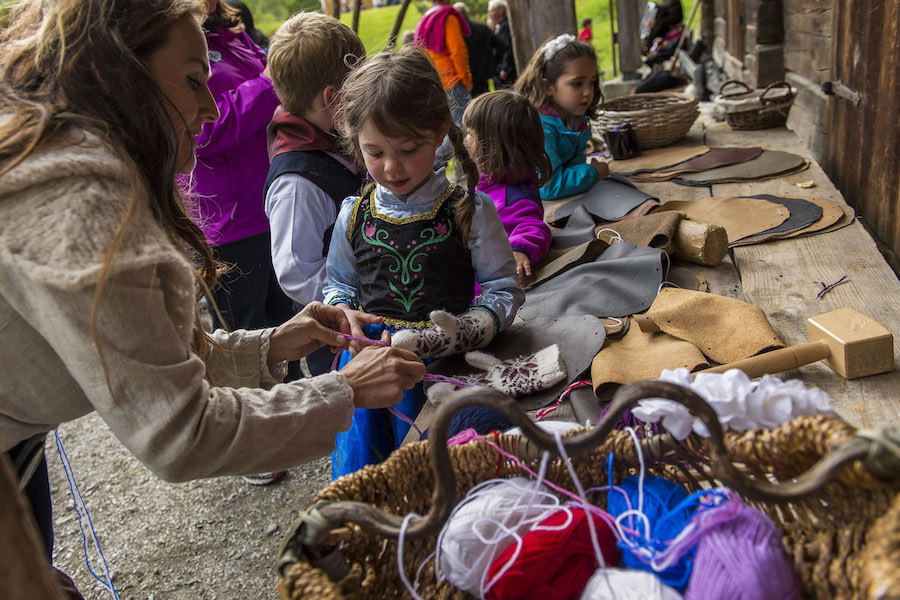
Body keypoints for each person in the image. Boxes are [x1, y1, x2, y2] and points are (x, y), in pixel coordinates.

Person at [0, 0, 425, 583]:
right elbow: (181, 432)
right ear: (115, 76)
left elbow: (163, 356)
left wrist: (274, 343)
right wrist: (342, 391)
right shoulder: (85, 207)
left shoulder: (94, 169)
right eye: (195, 80)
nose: (208, 106)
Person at [324, 46, 524, 478]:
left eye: (408, 148)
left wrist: (471, 329)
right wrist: (345, 314)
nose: (392, 166)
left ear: (437, 132)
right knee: (377, 475)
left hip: (445, 371)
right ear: (355, 143)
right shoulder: (353, 215)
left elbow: (503, 288)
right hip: (373, 367)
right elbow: (338, 283)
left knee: (444, 476)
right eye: (374, 153)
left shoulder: (469, 210)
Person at [189, 1, 299, 485]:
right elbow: (204, 129)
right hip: (227, 220)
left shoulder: (231, 34)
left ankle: (293, 419)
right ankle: (253, 449)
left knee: (283, 319)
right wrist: (272, 80)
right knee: (242, 330)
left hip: (268, 202)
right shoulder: (175, 49)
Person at [462, 91, 553, 286]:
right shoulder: (491, 178)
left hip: (483, 280)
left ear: (492, 145)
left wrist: (519, 250)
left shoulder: (513, 197)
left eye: (469, 134)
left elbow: (534, 227)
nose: (464, 140)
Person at [515, 34, 610, 201]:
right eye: (577, 84)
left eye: (592, 82)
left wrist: (585, 173)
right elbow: (547, 185)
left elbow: (575, 164)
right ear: (548, 86)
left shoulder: (575, 118)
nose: (588, 92)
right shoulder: (541, 127)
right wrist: (593, 173)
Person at [413, 0, 473, 166]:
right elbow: (458, 50)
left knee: (453, 127)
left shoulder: (427, 16)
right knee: (464, 127)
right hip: (452, 78)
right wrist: (466, 78)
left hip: (436, 78)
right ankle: (431, 163)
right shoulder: (447, 16)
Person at [453, 2, 502, 97]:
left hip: (464, 74)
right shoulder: (483, 28)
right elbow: (501, 45)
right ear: (467, 13)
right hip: (483, 72)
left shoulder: (455, 33)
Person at [487, 0, 516, 89]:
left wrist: (504, 67)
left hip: (506, 71)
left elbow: (507, 47)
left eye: (492, 10)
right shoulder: (499, 27)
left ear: (500, 11)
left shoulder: (505, 27)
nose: (490, 13)